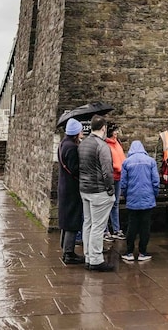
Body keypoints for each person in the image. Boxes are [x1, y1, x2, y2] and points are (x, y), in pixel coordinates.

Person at [78, 114, 116, 272]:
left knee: (88, 223)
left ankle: (88, 255)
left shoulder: (83, 144)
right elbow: (107, 171)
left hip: (84, 189)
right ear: (104, 128)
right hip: (99, 190)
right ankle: (95, 259)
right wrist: (110, 188)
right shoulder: (102, 146)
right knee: (98, 226)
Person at [119, 140, 159, 262]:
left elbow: (123, 183)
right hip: (148, 199)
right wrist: (153, 195)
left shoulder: (126, 162)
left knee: (132, 225)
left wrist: (126, 195)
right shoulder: (151, 161)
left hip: (133, 199)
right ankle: (143, 252)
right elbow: (156, 181)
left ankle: (129, 252)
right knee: (145, 227)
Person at [58, 119, 85, 265]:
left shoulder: (63, 143)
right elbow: (75, 169)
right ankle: (69, 252)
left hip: (64, 186)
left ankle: (65, 248)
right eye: (80, 130)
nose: (82, 132)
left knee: (65, 218)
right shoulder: (72, 148)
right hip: (72, 188)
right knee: (72, 220)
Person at [104, 123, 126, 241]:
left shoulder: (117, 142)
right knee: (108, 204)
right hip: (111, 177)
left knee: (115, 203)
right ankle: (105, 230)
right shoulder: (106, 144)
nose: (117, 132)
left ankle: (116, 229)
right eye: (115, 131)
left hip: (119, 177)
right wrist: (117, 167)